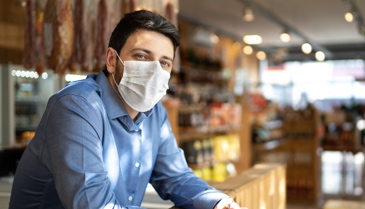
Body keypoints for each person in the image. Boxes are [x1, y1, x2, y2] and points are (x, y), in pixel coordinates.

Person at [9, 10, 247, 209]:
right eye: (142, 56)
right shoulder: (77, 106)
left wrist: (216, 202)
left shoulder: (155, 113)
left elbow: (175, 176)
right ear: (112, 60)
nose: (155, 70)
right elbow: (93, 204)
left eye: (164, 62)